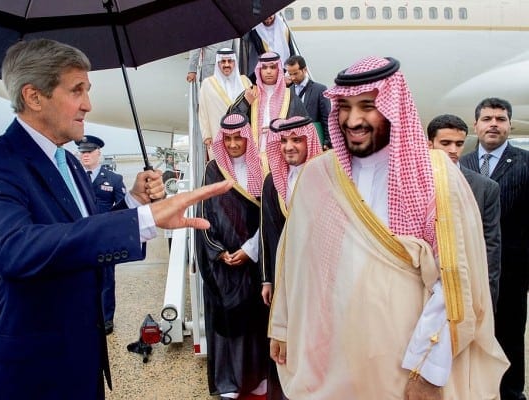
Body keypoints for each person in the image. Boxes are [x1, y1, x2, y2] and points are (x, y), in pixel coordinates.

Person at [0, 38, 232, 400]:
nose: (88, 105)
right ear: (34, 96)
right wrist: (143, 220)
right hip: (33, 370)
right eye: (77, 91)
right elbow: (13, 250)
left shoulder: (68, 161)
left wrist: (133, 201)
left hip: (83, 358)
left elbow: (81, 232)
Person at [268, 56, 508, 399]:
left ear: (394, 107)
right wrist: (283, 326)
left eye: (367, 105)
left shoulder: (435, 175)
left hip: (406, 359)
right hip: (336, 355)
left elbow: (453, 280)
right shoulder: (319, 175)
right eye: (345, 107)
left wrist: (428, 370)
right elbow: (296, 261)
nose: (353, 119)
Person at [460, 98, 529, 400]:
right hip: (466, 266)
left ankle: (510, 392)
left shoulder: (525, 162)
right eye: (487, 118)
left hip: (513, 270)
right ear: (475, 125)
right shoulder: (461, 163)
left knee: (509, 335)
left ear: (509, 125)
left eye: (500, 119)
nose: (493, 124)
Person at [195, 113, 268, 400]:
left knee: (254, 323)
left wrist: (251, 250)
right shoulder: (213, 170)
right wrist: (219, 252)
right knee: (226, 324)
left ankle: (256, 377)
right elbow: (203, 215)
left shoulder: (260, 169)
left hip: (252, 261)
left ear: (247, 139)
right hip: (222, 265)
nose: (235, 143)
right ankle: (228, 382)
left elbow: (268, 217)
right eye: (229, 139)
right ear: (222, 140)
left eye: (239, 138)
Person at [260, 116, 322, 400]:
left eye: (296, 140)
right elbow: (269, 233)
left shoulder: (326, 177)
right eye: (283, 141)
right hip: (286, 277)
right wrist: (267, 279)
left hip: (320, 274)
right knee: (285, 339)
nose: (288, 147)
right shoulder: (273, 181)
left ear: (309, 141)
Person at [427, 114, 501, 309]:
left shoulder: (485, 188)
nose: (453, 150)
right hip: (422, 286)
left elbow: (491, 245)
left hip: (465, 287)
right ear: (429, 144)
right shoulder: (412, 183)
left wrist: (488, 296)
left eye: (459, 144)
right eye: (446, 143)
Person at [76, 134, 126, 335]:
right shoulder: (73, 177)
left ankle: (106, 319)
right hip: (80, 237)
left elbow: (123, 207)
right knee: (81, 279)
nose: (85, 155)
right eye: (82, 152)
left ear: (99, 153)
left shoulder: (113, 179)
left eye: (89, 152)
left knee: (106, 279)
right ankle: (85, 317)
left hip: (104, 238)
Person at [228, 52, 307, 173]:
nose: (268, 71)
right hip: (253, 159)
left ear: (279, 70)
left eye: (272, 67)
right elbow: (230, 123)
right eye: (264, 67)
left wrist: (280, 129)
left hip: (282, 159)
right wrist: (246, 103)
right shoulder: (250, 93)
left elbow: (303, 128)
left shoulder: (289, 96)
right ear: (259, 70)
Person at [198, 48, 251, 157]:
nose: (226, 65)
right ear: (218, 63)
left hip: (242, 136)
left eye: (229, 61)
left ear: (234, 62)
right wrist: (206, 135)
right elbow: (202, 111)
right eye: (223, 61)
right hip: (217, 133)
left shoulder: (245, 81)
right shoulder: (207, 83)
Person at [284, 55, 331, 150]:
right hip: (295, 144)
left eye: (295, 73)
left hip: (316, 141)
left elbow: (326, 118)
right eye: (290, 74)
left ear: (304, 70)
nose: (292, 78)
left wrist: (327, 140)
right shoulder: (287, 92)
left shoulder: (320, 89)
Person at [241, 13, 295, 79]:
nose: (268, 21)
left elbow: (291, 53)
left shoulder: (284, 29)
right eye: (265, 19)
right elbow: (245, 38)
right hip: (265, 72)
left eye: (270, 18)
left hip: (284, 71)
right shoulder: (255, 31)